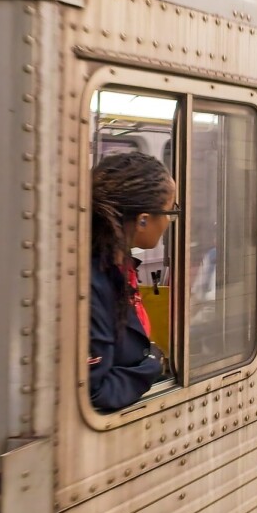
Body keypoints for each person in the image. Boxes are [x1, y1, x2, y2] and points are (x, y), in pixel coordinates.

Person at [88, 151, 180, 411]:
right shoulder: (93, 284)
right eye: (169, 211)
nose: (169, 221)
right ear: (143, 220)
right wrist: (151, 362)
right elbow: (94, 392)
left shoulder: (118, 267)